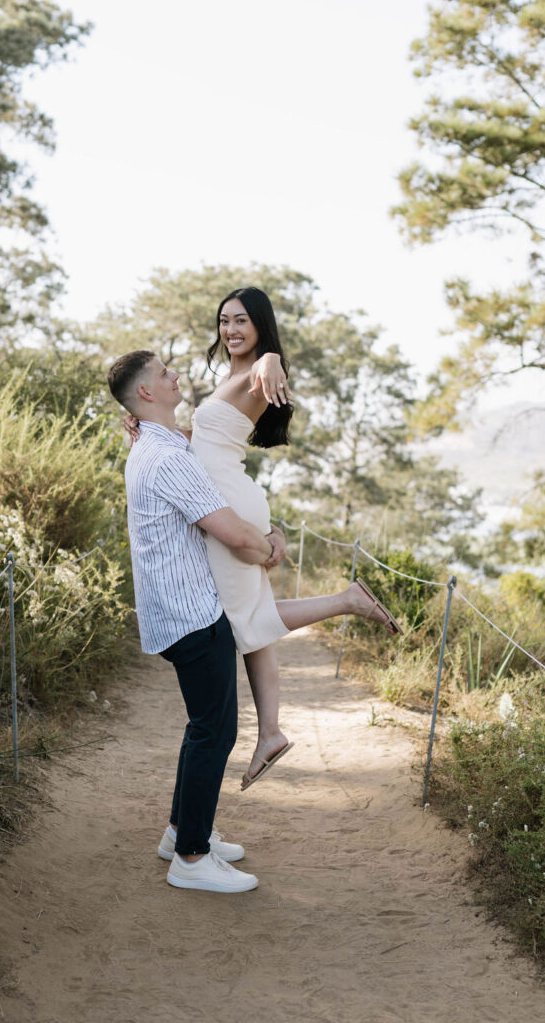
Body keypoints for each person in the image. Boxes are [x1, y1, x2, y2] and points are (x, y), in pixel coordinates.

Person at [124, 287, 403, 791]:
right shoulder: (231, 376)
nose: (231, 330)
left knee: (245, 620)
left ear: (260, 327)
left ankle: (346, 601)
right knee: (247, 619)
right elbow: (205, 443)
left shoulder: (260, 369)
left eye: (243, 322)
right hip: (230, 492)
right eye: (224, 321)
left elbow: (270, 365)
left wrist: (271, 357)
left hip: (227, 498)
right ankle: (270, 730)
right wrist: (146, 428)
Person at [107, 348, 286, 894]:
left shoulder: (153, 447)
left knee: (202, 727)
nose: (175, 375)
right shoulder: (166, 457)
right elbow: (229, 530)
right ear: (145, 393)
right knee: (216, 731)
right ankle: (191, 857)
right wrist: (271, 548)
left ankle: (183, 831)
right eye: (164, 373)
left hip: (174, 611)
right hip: (191, 614)